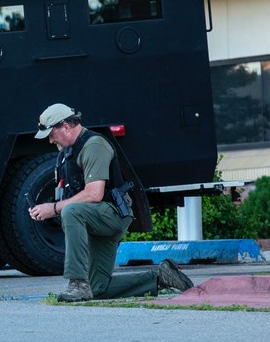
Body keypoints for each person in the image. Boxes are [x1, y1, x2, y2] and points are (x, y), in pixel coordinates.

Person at [28, 104, 195, 302]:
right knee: (98, 288)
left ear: (65, 126)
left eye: (51, 133)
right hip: (96, 217)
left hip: (111, 214)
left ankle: (77, 283)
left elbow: (94, 194)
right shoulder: (67, 152)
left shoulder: (94, 145)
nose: (50, 139)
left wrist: (53, 209)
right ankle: (161, 277)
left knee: (71, 212)